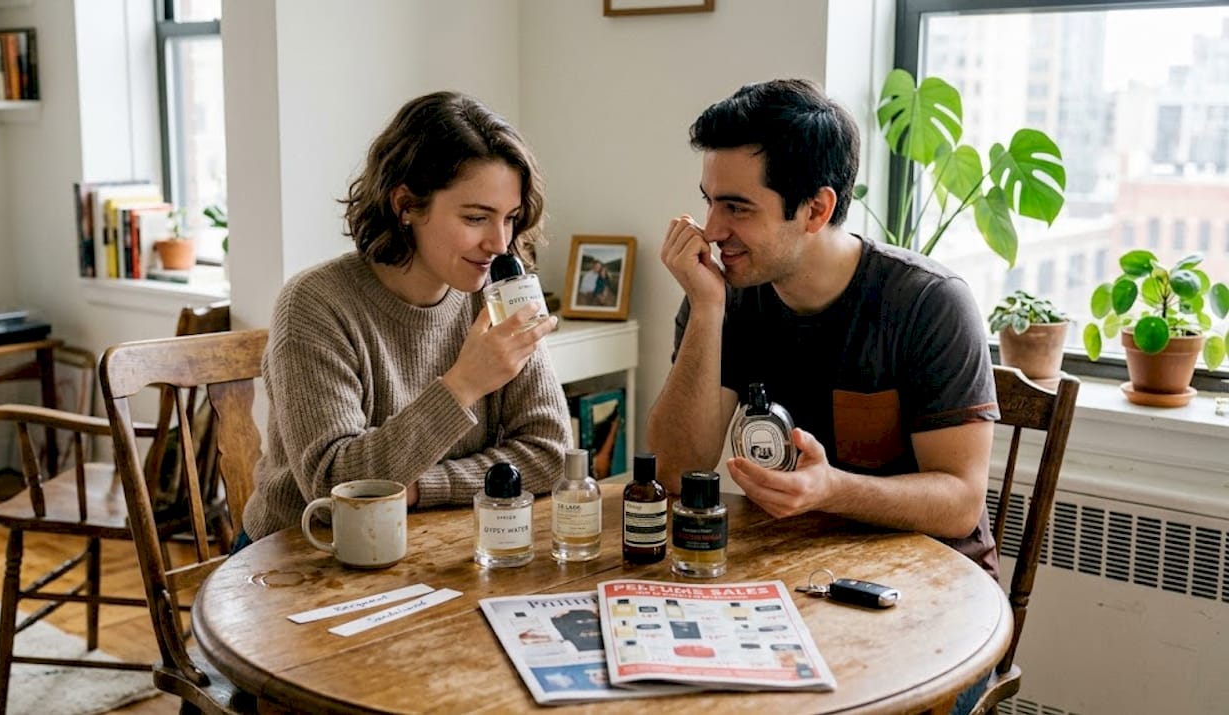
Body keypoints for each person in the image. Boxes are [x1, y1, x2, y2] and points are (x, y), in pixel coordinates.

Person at [645, 79, 998, 713]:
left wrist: (834, 488)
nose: (712, 230)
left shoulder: (927, 304)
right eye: (708, 202)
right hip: (795, 577)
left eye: (738, 208)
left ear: (814, 208)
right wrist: (705, 310)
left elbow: (960, 504)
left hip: (930, 604)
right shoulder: (727, 291)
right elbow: (676, 469)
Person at [240, 91, 573, 543]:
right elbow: (335, 488)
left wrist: (421, 488)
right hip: (303, 556)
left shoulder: (494, 296)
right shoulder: (315, 304)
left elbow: (550, 454)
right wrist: (464, 384)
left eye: (510, 218)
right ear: (406, 206)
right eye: (476, 218)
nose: (499, 243)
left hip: (431, 543)